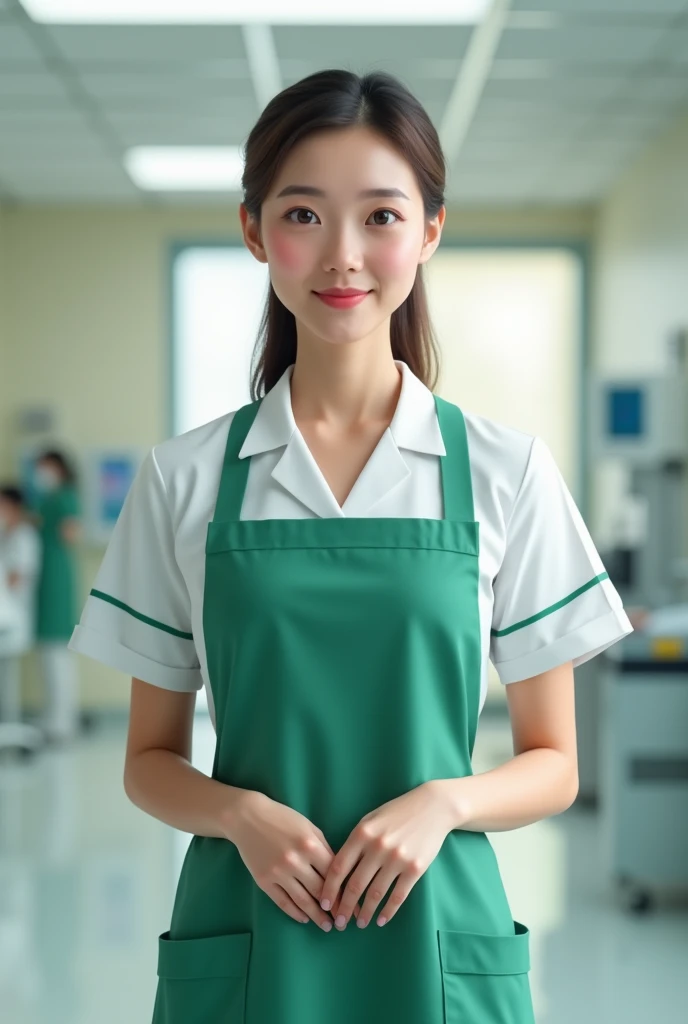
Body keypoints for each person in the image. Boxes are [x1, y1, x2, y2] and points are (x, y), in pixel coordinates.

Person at [68, 69, 634, 1023]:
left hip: (437, 935)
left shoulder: (507, 471)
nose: (343, 255)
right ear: (254, 232)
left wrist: (444, 804)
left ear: (429, 231)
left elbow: (555, 761)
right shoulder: (186, 479)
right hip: (249, 929)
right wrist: (238, 815)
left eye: (381, 215)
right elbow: (148, 759)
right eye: (303, 214)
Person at [32, 450, 82, 743]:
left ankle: (63, 721)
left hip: (57, 582)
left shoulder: (65, 498)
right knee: (48, 656)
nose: (40, 473)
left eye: (44, 467)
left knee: (58, 655)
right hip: (45, 579)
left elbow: (71, 534)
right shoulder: (48, 500)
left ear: (58, 468)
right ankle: (54, 717)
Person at [0, 485, 42, 751]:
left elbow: (15, 580)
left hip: (12, 620)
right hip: (5, 617)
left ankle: (9, 728)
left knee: (8, 682)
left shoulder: (24, 537)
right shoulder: (6, 534)